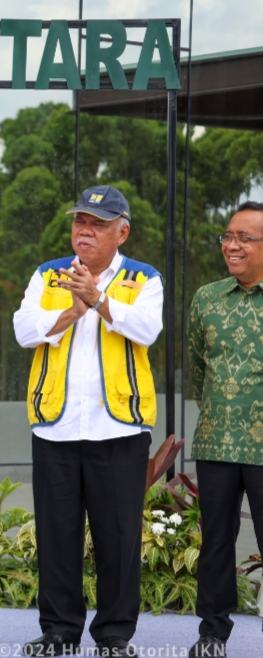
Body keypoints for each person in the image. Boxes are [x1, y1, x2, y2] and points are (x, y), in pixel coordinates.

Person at [13, 185, 163, 657]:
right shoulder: (49, 274)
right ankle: (59, 631)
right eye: (80, 221)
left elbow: (147, 329)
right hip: (55, 425)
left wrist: (97, 300)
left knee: (118, 536)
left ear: (123, 232)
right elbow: (23, 330)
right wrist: (71, 311)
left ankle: (114, 634)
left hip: (119, 428)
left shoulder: (144, 278)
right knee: (57, 535)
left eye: (98, 224)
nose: (85, 231)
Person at [188, 201, 263, 658]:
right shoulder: (207, 299)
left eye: (244, 238)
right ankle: (212, 634)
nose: (232, 245)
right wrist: (222, 411)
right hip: (217, 441)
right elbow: (198, 369)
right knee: (215, 542)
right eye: (228, 237)